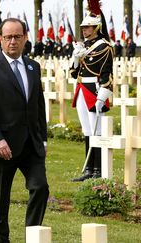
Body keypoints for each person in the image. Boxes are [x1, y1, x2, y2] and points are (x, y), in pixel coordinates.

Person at [0, 18, 49, 243]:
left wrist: (43, 139)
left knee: (40, 188)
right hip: (2, 146)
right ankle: (1, 240)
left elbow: (38, 105)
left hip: (30, 144)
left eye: (17, 36)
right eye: (8, 37)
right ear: (0, 40)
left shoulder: (33, 67)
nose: (13, 41)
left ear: (26, 38)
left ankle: (32, 236)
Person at [70, 4, 113, 182]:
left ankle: (98, 169)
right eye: (82, 27)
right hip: (81, 89)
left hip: (95, 91)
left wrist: (102, 96)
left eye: (87, 27)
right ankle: (89, 169)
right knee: (88, 131)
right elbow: (74, 73)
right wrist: (75, 58)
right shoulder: (83, 46)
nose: (84, 30)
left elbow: (107, 74)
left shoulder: (104, 47)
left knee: (98, 131)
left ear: (96, 28)